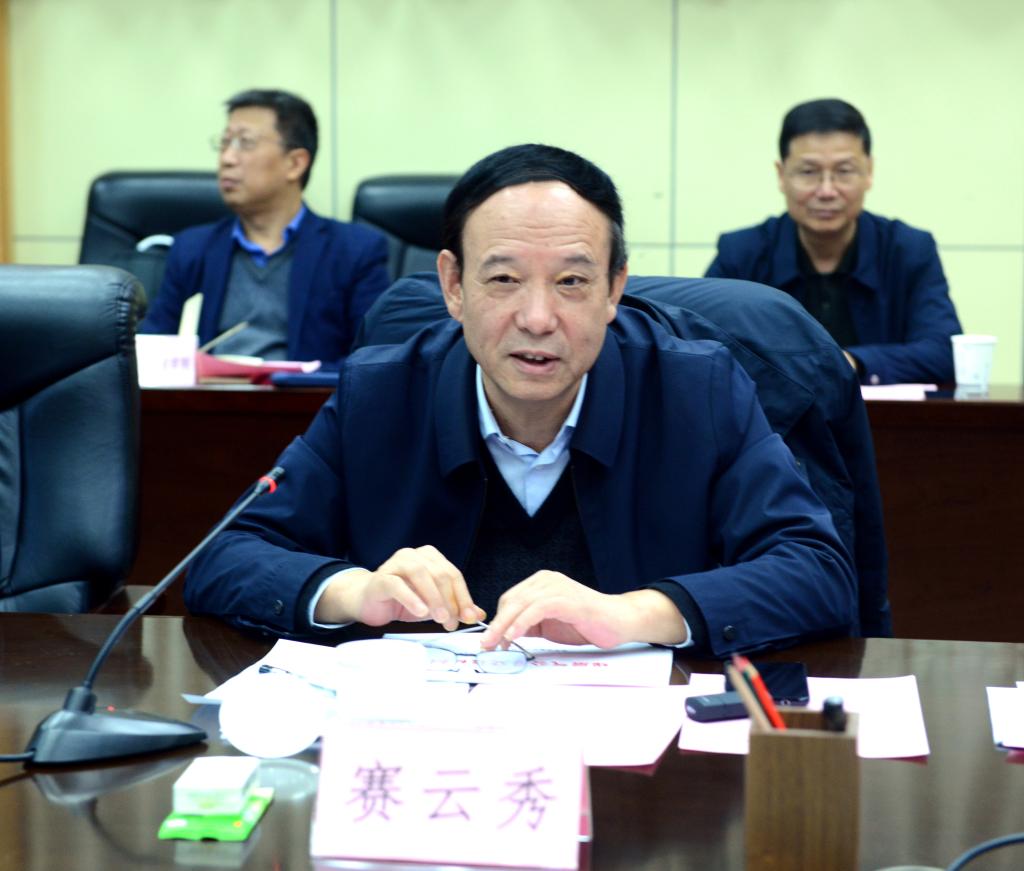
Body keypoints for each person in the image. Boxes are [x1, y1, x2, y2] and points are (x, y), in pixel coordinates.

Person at [185, 143, 857, 658]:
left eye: (572, 282)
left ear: (614, 289)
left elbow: (818, 570)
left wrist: (636, 612)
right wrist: (355, 591)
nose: (538, 319)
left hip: (638, 759)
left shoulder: (696, 390)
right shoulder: (383, 392)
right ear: (453, 286)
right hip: (436, 742)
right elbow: (225, 555)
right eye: (504, 279)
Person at [706, 98, 961, 385]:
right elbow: (700, 347)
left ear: (869, 172)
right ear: (781, 175)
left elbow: (944, 353)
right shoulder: (742, 254)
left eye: (844, 171)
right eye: (808, 172)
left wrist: (853, 363)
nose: (827, 191)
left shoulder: (907, 250)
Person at [139, 89, 390, 365]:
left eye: (245, 142)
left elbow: (372, 360)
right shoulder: (191, 249)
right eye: (225, 142)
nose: (227, 158)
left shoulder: (355, 251)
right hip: (209, 393)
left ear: (295, 164)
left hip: (308, 393)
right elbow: (152, 352)